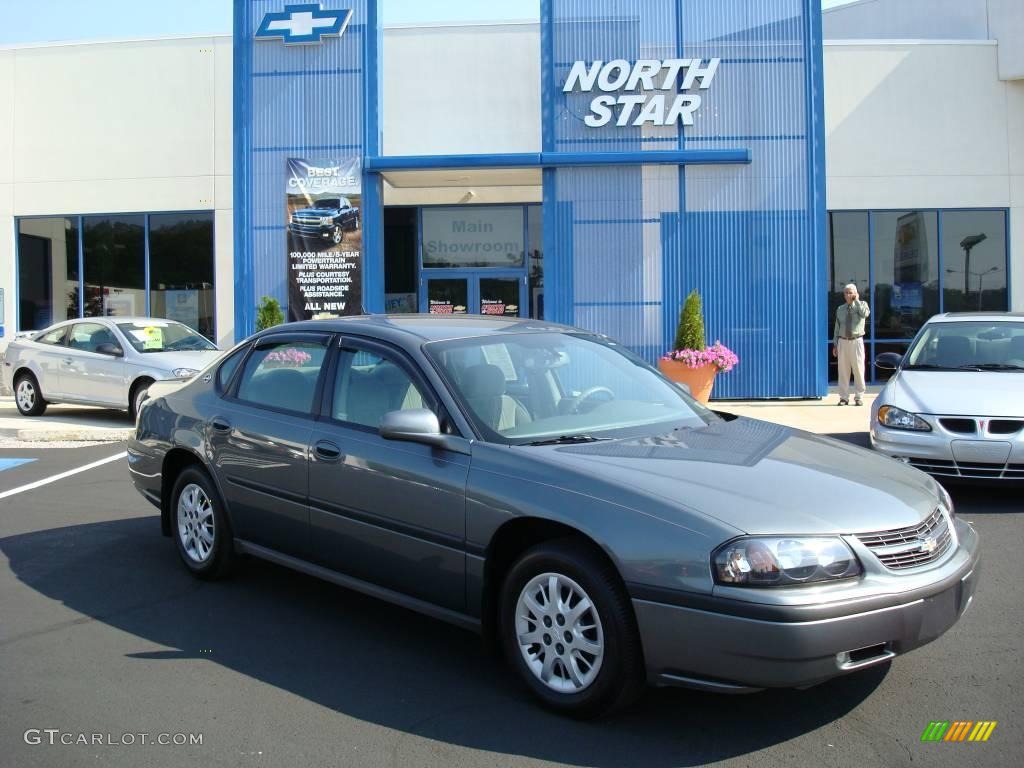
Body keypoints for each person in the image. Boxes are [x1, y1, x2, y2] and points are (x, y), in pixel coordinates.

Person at [832, 283, 870, 406]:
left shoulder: (862, 305)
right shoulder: (840, 309)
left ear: (855, 293)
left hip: (856, 341)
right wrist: (835, 344)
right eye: (846, 292)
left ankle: (859, 397)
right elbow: (837, 328)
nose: (848, 295)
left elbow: (865, 314)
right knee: (843, 371)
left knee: (858, 370)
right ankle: (844, 397)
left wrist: (857, 300)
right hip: (843, 341)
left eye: (851, 292)